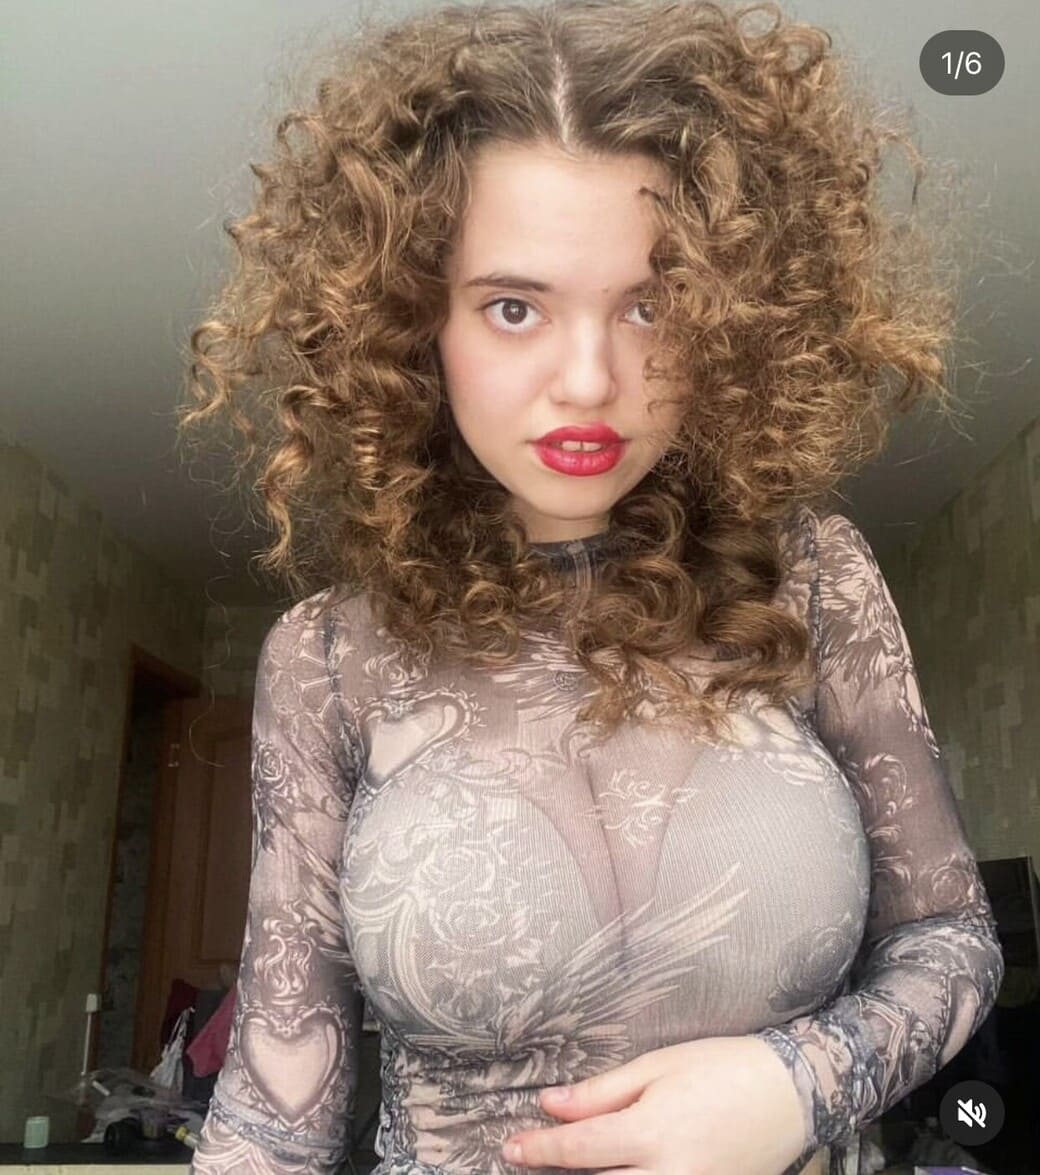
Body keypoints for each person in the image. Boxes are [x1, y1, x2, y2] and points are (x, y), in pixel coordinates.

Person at [175, 1, 1004, 1172]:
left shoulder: (811, 576)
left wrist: (800, 1080)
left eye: (648, 305)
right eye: (513, 307)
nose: (588, 379)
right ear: (413, 323)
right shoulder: (326, 658)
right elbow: (273, 1110)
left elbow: (949, 936)